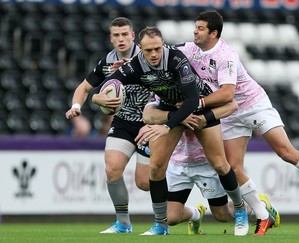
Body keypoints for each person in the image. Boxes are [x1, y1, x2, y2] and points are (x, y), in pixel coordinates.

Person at [174, 11, 299, 219]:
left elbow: (228, 93)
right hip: (229, 113)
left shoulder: (225, 56)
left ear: (214, 33)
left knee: (286, 152)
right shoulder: (188, 49)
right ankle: (262, 212)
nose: (195, 31)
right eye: (196, 27)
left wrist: (197, 102)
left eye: (200, 28)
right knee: (234, 169)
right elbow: (160, 53)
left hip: (253, 104)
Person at [102, 26, 249, 236]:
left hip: (199, 106)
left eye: (157, 49)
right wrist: (99, 97)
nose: (153, 54)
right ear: (140, 50)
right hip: (171, 107)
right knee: (156, 167)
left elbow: (191, 100)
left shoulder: (176, 59)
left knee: (219, 163)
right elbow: (110, 81)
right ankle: (160, 225)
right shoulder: (136, 64)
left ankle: (241, 210)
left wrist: (166, 126)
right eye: (148, 50)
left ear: (163, 45)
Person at [65, 17, 152, 233]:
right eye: (116, 35)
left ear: (133, 36)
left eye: (125, 34)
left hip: (150, 123)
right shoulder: (107, 62)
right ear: (110, 38)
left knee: (145, 183)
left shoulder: (148, 55)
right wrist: (77, 105)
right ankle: (123, 223)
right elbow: (84, 88)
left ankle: (186, 212)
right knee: (112, 169)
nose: (121, 39)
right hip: (123, 122)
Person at [142, 99, 280, 235]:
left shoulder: (201, 97)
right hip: (178, 163)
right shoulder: (163, 98)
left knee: (222, 216)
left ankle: (258, 205)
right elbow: (149, 112)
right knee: (170, 218)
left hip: (205, 164)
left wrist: (202, 115)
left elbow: (231, 105)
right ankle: (196, 214)